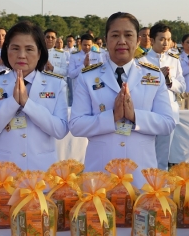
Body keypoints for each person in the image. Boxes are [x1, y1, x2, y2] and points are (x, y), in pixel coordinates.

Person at [69, 12, 175, 187]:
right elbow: (76, 125)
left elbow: (167, 123)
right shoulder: (87, 77)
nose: (122, 41)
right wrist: (112, 117)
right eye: (115, 35)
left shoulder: (153, 75)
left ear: (138, 40)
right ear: (106, 39)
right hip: (100, 173)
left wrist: (135, 116)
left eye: (128, 35)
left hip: (142, 174)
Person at [0, 22, 68, 170]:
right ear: (6, 50)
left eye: (29, 49)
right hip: (4, 173)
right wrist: (12, 103)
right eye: (15, 48)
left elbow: (60, 130)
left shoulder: (56, 84)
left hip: (42, 172)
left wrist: (28, 104)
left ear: (39, 53)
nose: (21, 55)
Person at [143, 24, 185, 169]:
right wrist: (157, 76)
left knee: (163, 154)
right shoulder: (141, 61)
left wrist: (168, 80)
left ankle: (160, 186)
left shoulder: (174, 60)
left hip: (168, 112)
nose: (166, 43)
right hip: (147, 112)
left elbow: (182, 87)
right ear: (152, 40)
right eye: (161, 39)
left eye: (168, 39)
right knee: (145, 152)